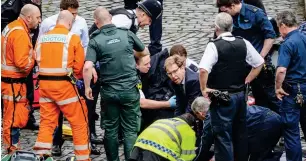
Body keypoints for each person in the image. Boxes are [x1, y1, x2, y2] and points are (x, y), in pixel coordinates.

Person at [83, 7, 149, 161]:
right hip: (129, 90)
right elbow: (144, 51)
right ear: (111, 19)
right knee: (130, 131)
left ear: (96, 22)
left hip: (109, 92)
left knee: (111, 130)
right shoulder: (127, 34)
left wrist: (87, 87)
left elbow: (87, 67)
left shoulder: (95, 40)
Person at [199, 12, 264, 161]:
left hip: (222, 97)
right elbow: (259, 63)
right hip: (241, 96)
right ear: (232, 26)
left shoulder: (214, 46)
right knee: (240, 134)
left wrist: (203, 88)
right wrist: (248, 79)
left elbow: (203, 69)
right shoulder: (244, 43)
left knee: (223, 137)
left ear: (216, 28)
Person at [38, 0, 98, 156]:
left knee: (46, 123)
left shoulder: (43, 38)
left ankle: (42, 155)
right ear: (70, 23)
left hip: (44, 87)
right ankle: (83, 157)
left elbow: (36, 58)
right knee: (79, 122)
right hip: (64, 87)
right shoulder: (72, 38)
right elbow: (78, 67)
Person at [217, 0, 281, 113]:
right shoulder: (227, 16)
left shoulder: (256, 13)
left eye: (225, 11)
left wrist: (261, 57)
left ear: (232, 6)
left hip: (260, 65)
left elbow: (270, 36)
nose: (224, 15)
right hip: (240, 65)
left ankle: (283, 126)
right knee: (254, 98)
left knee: (271, 97)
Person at [191, 97, 283, 161]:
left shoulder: (211, 116)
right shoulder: (222, 105)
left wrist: (196, 159)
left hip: (264, 123)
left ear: (200, 113)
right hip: (270, 117)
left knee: (256, 156)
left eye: (197, 116)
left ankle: (276, 154)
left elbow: (205, 144)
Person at [1, 4, 39, 154]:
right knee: (13, 118)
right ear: (28, 18)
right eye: (37, 17)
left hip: (9, 81)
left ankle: (12, 147)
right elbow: (22, 64)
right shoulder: (20, 34)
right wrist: (34, 57)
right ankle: (12, 150)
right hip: (13, 83)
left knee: (12, 116)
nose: (39, 21)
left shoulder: (12, 27)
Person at [275, 11, 306, 161]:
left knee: (291, 131)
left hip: (293, 90)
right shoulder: (305, 38)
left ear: (282, 25)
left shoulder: (288, 44)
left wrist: (278, 87)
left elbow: (281, 70)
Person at [88, 0, 162, 52]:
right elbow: (108, 41)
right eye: (150, 21)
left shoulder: (133, 19)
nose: (149, 24)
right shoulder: (126, 21)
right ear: (143, 15)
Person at [129, 113, 197, 161]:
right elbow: (187, 157)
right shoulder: (188, 130)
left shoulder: (161, 120)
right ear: (192, 126)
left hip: (138, 146)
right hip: (158, 153)